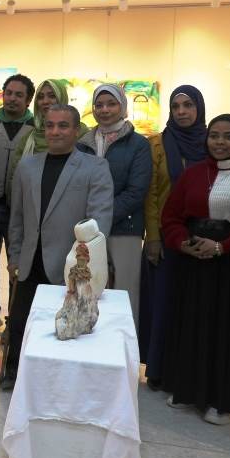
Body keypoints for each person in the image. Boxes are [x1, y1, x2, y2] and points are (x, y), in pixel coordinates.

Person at [160, 114, 230, 425]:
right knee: (193, 325)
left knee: (226, 331)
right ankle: (188, 390)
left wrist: (222, 246)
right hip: (195, 262)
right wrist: (181, 242)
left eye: (228, 136)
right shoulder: (194, 173)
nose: (220, 142)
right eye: (214, 135)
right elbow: (171, 216)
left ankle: (222, 401)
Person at [3, 104, 114, 389]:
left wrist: (83, 264)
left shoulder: (95, 167)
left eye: (63, 126)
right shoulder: (27, 167)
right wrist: (14, 257)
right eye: (50, 125)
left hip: (70, 265)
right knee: (20, 324)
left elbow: (98, 224)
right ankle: (14, 373)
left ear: (76, 131)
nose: (55, 131)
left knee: (63, 330)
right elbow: (17, 218)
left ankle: (55, 386)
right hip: (29, 262)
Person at [140, 86, 207, 389]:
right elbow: (151, 194)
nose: (181, 111)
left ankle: (190, 372)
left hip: (203, 237)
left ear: (199, 108)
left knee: (194, 306)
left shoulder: (212, 142)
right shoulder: (156, 144)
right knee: (163, 304)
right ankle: (159, 369)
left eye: (188, 105)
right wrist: (153, 238)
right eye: (176, 106)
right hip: (166, 238)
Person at [79, 84, 151, 324]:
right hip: (87, 229)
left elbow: (136, 191)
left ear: (123, 107)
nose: (104, 109)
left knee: (125, 291)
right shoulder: (83, 142)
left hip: (124, 228)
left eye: (111, 104)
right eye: (99, 105)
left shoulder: (138, 144)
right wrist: (91, 222)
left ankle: (123, 342)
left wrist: (100, 218)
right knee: (88, 287)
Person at [0, 74, 35, 321]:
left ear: (28, 100)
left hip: (21, 209)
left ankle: (15, 316)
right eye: (9, 93)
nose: (12, 98)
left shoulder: (36, 129)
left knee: (18, 264)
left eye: (19, 95)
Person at [8, 79, 89, 196]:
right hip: (31, 201)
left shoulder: (79, 132)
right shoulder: (29, 137)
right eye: (40, 97)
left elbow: (88, 174)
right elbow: (15, 176)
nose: (45, 101)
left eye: (52, 96)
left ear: (62, 98)